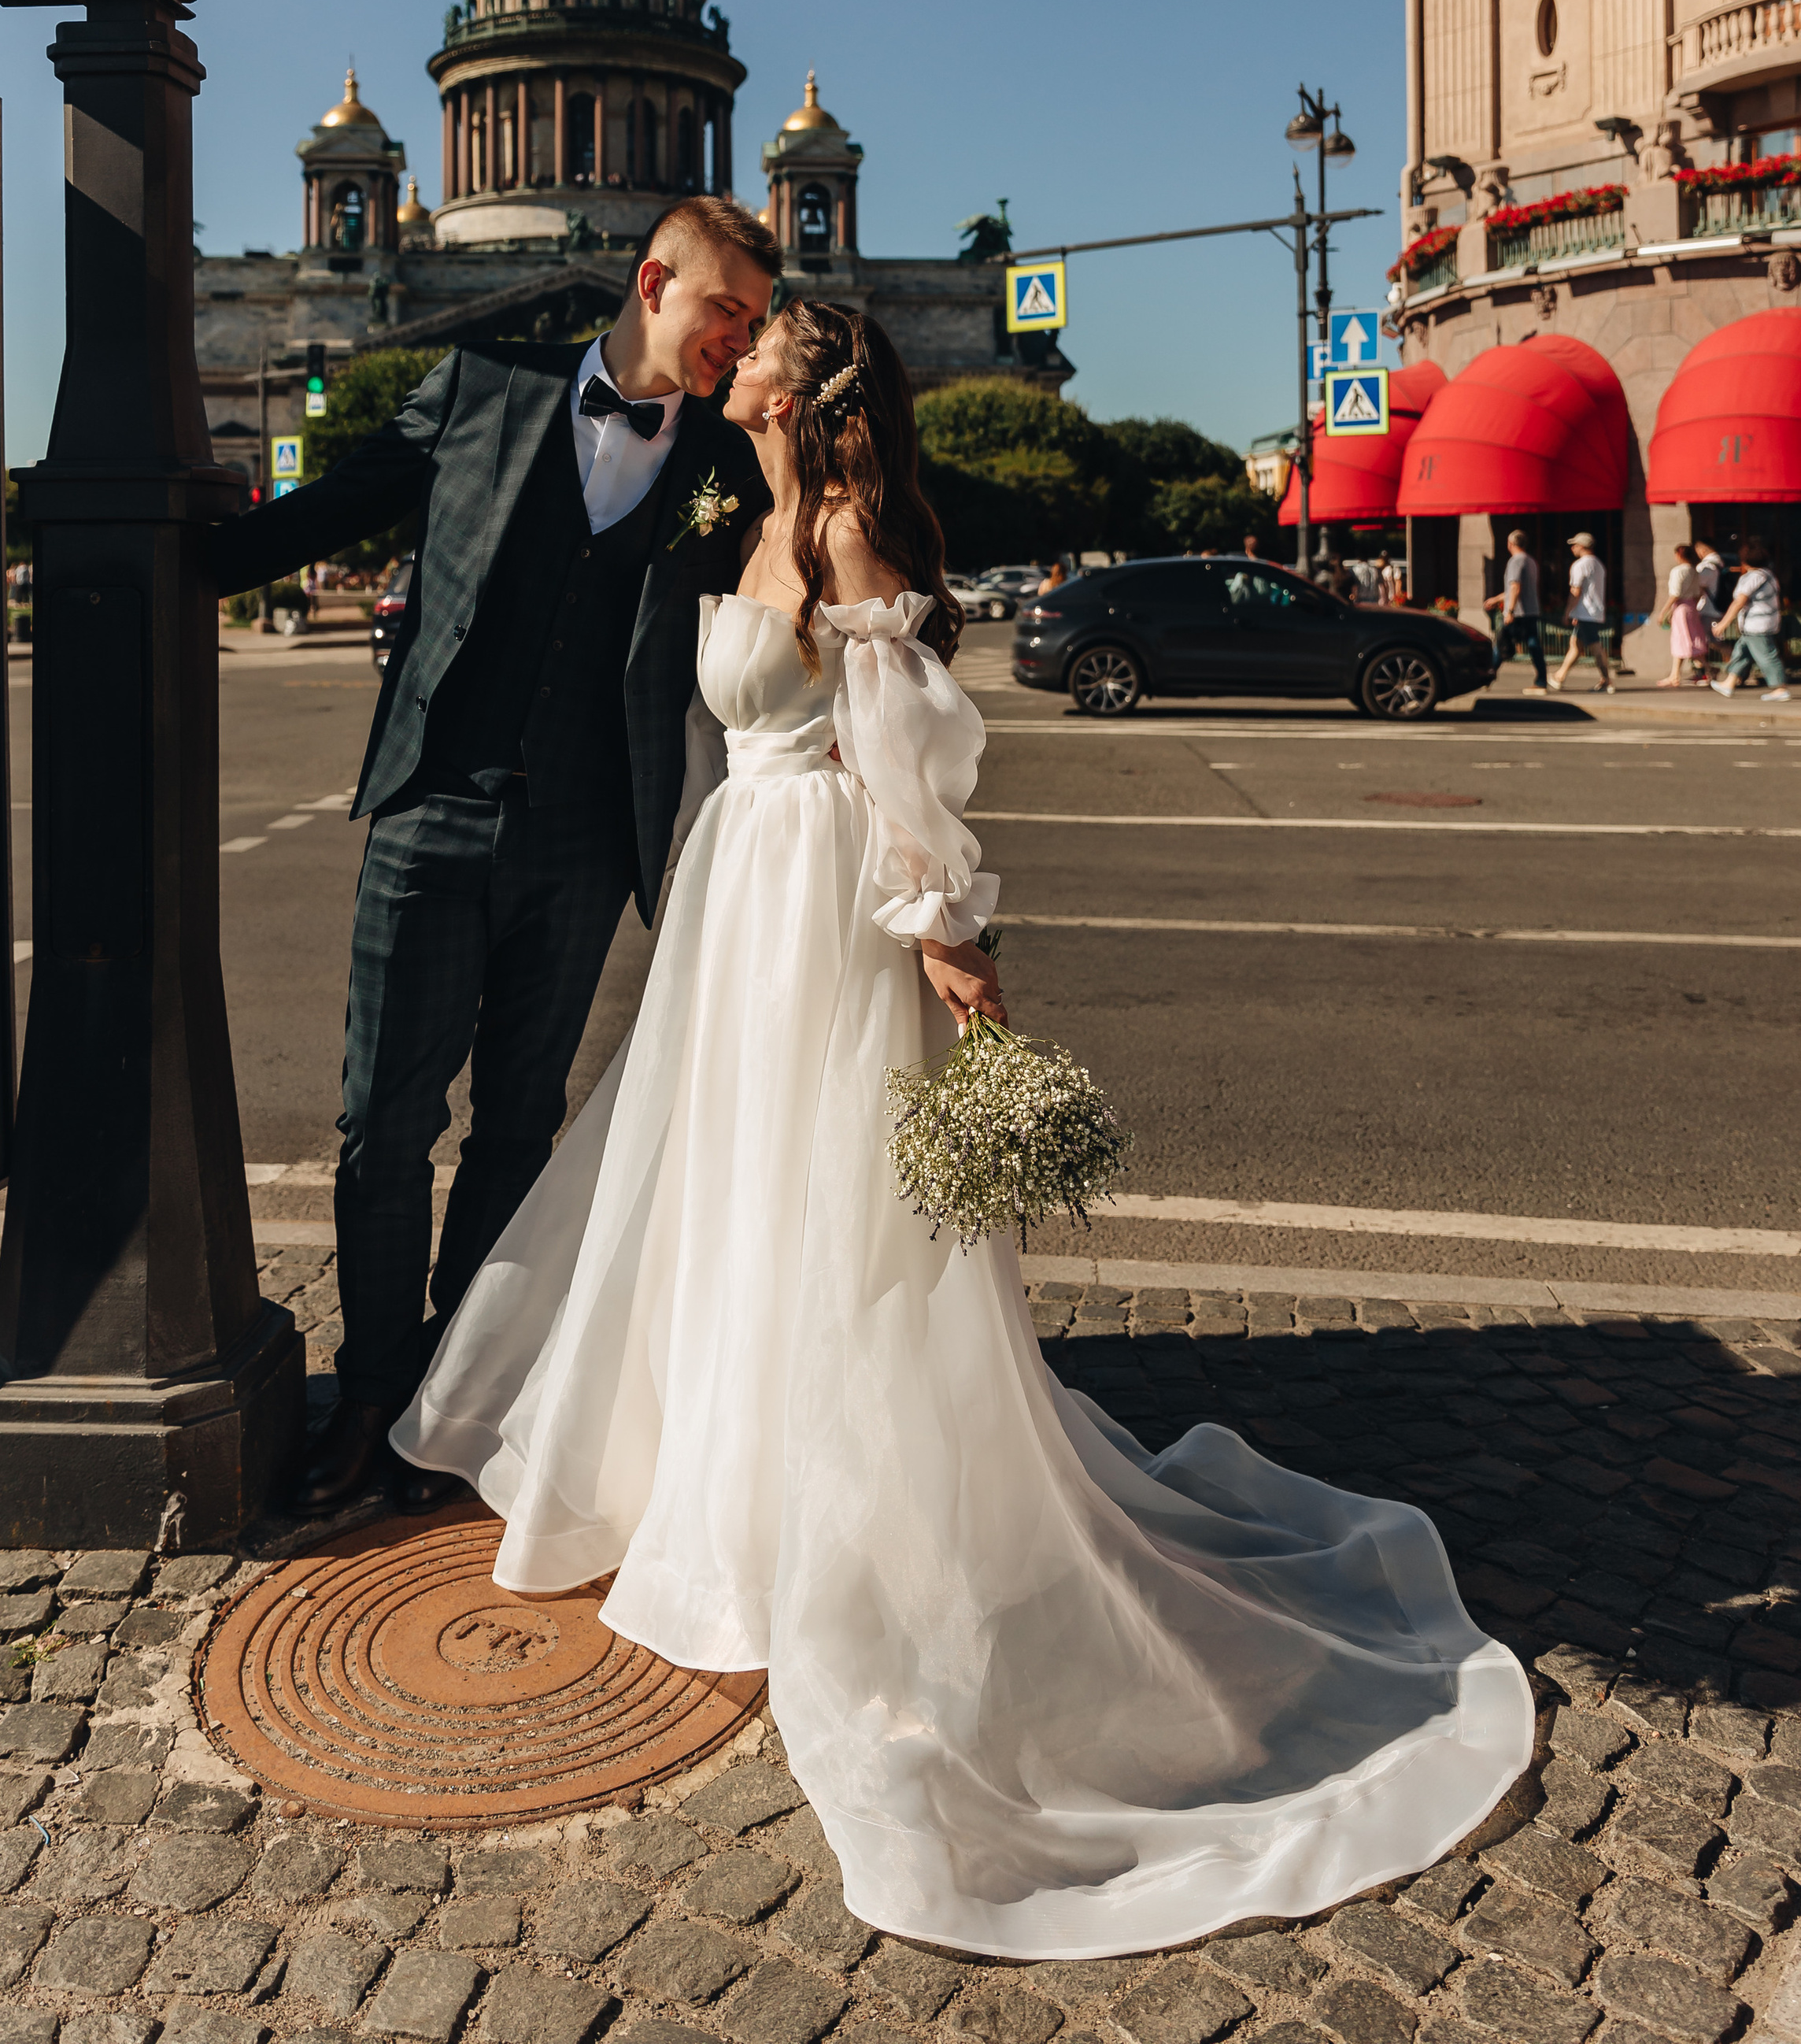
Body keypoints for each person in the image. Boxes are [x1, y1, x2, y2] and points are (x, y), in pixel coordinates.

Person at [392, 298, 1533, 1960]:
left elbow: (900, 751)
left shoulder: (844, 527)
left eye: (757, 346)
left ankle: (831, 1532)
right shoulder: (765, 510)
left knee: (827, 1208)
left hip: (819, 913)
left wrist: (942, 935)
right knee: (729, 1197)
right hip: (741, 908)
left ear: (807, 387)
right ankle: (723, 1482)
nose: (731, 363)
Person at [207, 194, 782, 1514]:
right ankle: (371, 1390)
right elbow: (333, 507)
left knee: (518, 1125)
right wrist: (155, 560)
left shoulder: (727, 465)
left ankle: (452, 1401)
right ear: (651, 283)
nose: (736, 344)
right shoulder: (484, 386)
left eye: (753, 326)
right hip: (435, 808)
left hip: (589, 841)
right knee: (383, 1123)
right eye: (722, 315)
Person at [1714, 534, 1788, 699]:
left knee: (1766, 655)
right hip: (1763, 623)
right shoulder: (1769, 575)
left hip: (1756, 625)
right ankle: (1730, 682)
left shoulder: (1751, 577)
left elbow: (1739, 602)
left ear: (1744, 561)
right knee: (1742, 652)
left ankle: (1780, 688)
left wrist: (1723, 623)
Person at [1550, 530, 1613, 694]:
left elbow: (1575, 591)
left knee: (1595, 646)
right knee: (1576, 645)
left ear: (1583, 546)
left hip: (1585, 612)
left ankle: (1606, 680)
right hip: (1593, 611)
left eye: (1575, 545)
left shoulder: (1579, 565)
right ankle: (1560, 676)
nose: (1572, 548)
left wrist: (1567, 612)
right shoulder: (1598, 565)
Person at [1485, 529, 1547, 690]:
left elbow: (1515, 587)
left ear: (1511, 544)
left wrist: (1509, 611)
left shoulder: (1515, 561)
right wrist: (1497, 599)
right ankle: (1542, 679)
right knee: (1533, 644)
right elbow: (1515, 588)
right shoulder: (1531, 561)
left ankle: (1488, 676)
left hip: (1518, 612)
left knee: (1501, 643)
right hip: (1532, 610)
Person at [1661, 542, 1716, 690]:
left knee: (1683, 639)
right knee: (1690, 639)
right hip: (1692, 606)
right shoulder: (1694, 570)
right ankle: (1675, 674)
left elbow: (1675, 593)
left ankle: (1706, 670)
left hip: (1681, 608)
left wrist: (1664, 612)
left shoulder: (1678, 571)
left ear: (1678, 555)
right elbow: (1699, 592)